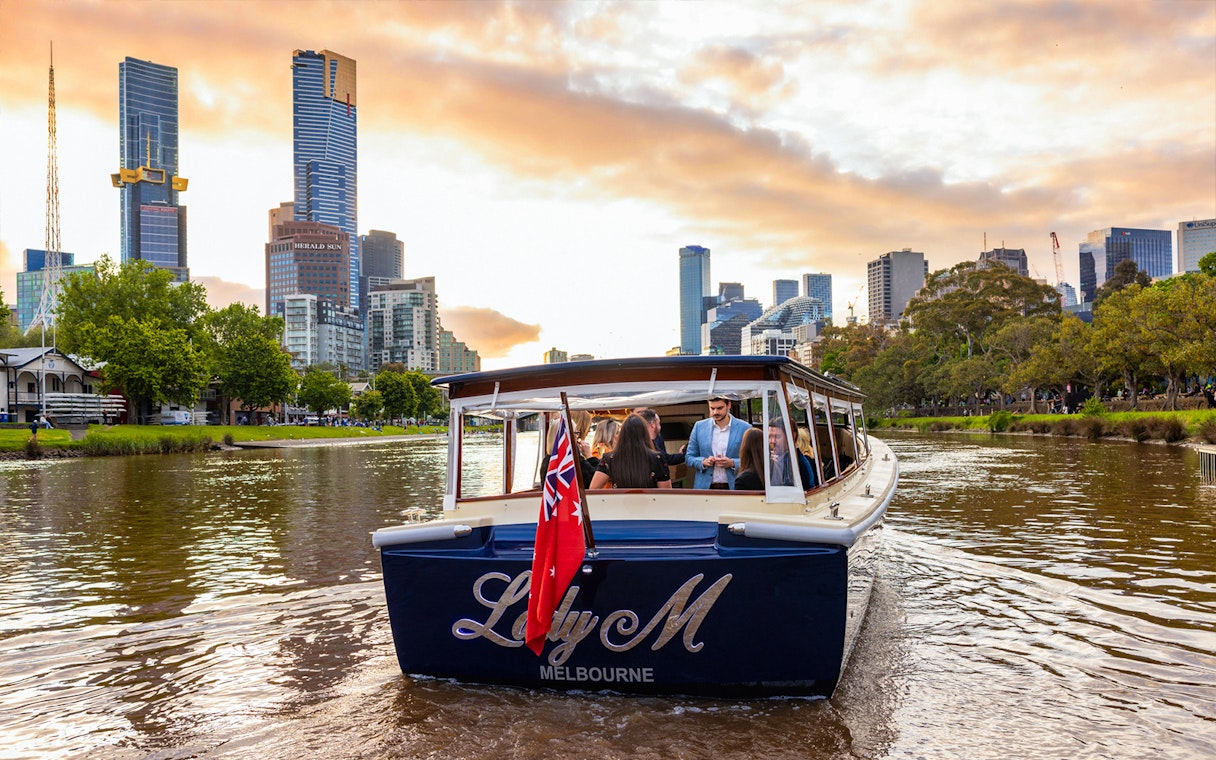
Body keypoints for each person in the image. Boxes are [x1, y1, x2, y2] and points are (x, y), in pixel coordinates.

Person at [588, 414, 671, 489]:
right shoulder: (658, 459)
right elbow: (666, 493)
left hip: (619, 504)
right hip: (649, 504)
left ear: (622, 433)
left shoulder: (609, 458)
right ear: (644, 433)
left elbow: (594, 488)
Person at [685, 397, 751, 489]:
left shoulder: (745, 428)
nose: (715, 412)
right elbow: (689, 457)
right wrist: (703, 462)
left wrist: (732, 463)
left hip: (735, 487)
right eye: (712, 408)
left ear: (728, 405)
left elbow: (752, 460)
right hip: (705, 488)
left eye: (720, 408)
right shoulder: (699, 427)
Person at [768, 419, 812, 489]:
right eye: (769, 437)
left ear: (792, 436)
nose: (772, 441)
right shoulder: (780, 459)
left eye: (777, 437)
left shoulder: (797, 463)